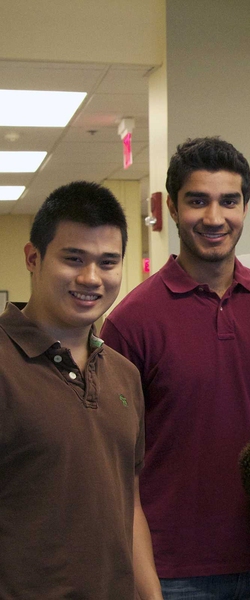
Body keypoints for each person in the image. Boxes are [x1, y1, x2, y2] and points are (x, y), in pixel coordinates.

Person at [101, 137, 250, 599]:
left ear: (245, 207)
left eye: (228, 201)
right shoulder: (130, 323)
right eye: (198, 201)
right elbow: (117, 469)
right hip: (174, 571)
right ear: (172, 208)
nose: (214, 218)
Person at [0, 181, 162, 599]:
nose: (91, 278)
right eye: (74, 259)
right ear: (33, 258)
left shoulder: (124, 375)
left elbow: (130, 507)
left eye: (108, 262)